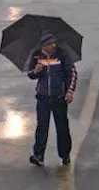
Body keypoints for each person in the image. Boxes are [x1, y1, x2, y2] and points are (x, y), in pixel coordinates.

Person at [26, 31, 77, 167]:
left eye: (53, 43)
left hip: (59, 98)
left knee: (62, 128)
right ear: (44, 45)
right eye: (50, 44)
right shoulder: (37, 55)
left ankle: (65, 155)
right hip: (42, 98)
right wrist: (36, 71)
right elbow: (30, 74)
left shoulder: (62, 54)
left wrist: (70, 91)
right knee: (42, 127)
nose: (53, 45)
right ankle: (39, 155)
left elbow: (71, 73)